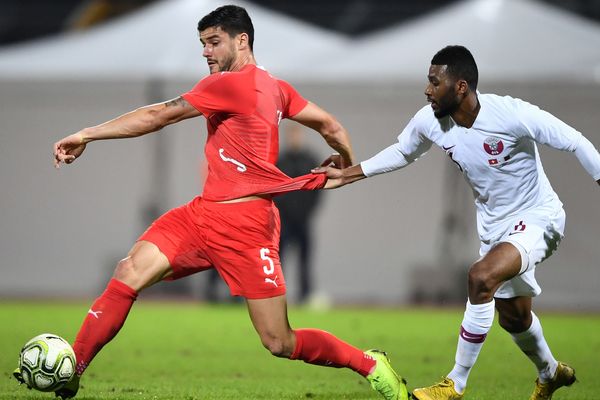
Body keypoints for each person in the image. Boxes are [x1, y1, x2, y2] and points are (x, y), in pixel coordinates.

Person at [13, 5, 408, 400]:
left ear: (243, 41)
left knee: (279, 341)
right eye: (203, 44)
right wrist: (345, 159)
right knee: (130, 270)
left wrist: (87, 134)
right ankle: (73, 370)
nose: (206, 52)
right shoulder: (276, 88)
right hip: (202, 215)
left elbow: (157, 116)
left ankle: (369, 363)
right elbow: (331, 126)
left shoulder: (229, 85)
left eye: (214, 42)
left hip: (247, 227)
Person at [317, 45, 600, 400]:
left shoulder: (510, 113)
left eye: (435, 82)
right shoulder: (430, 121)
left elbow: (574, 141)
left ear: (461, 86)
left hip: (539, 217)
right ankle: (550, 372)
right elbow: (404, 150)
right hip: (495, 229)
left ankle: (455, 383)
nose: (427, 90)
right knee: (514, 318)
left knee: (480, 277)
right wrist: (349, 175)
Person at [275, 124, 323, 303]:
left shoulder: (310, 161)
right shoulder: (281, 161)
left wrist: (307, 212)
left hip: (303, 220)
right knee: (279, 259)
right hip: (284, 221)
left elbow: (318, 190)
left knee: (305, 259)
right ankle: (278, 295)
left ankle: (306, 294)